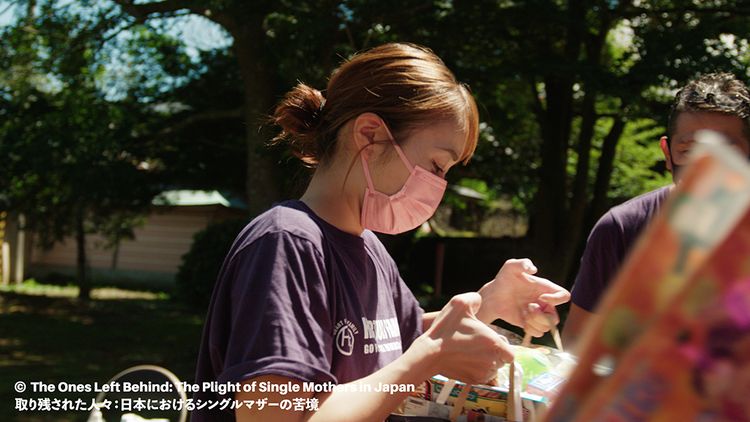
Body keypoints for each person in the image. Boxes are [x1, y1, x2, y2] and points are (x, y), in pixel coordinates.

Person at [191, 42, 570, 422]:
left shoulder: (369, 249)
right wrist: (430, 358)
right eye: (437, 166)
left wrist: (491, 303)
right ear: (370, 135)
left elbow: (397, 339)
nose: (439, 185)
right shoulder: (287, 243)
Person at [563, 73, 750, 347]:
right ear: (667, 153)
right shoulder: (622, 229)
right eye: (689, 151)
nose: (705, 170)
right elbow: (576, 344)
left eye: (723, 153)